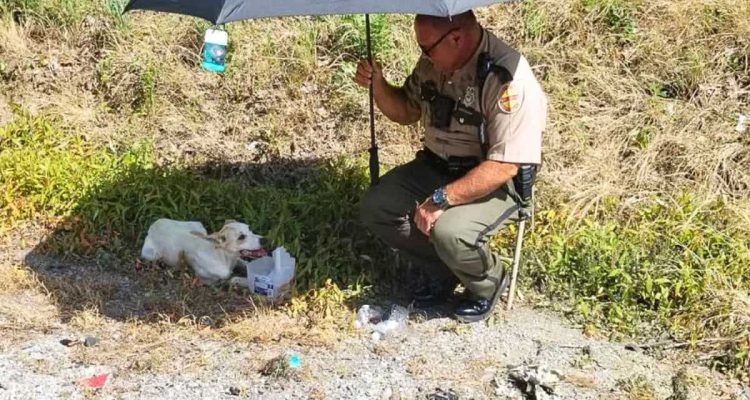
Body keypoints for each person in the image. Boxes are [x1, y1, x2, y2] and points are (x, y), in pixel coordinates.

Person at [356, 10, 547, 323]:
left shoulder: (507, 78)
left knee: (450, 231)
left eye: (426, 48)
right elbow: (406, 110)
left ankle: (487, 282)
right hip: (435, 166)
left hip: (492, 180)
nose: (423, 56)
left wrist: (441, 199)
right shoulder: (436, 62)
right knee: (378, 207)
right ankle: (444, 269)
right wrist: (377, 85)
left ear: (456, 38)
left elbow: (504, 165)